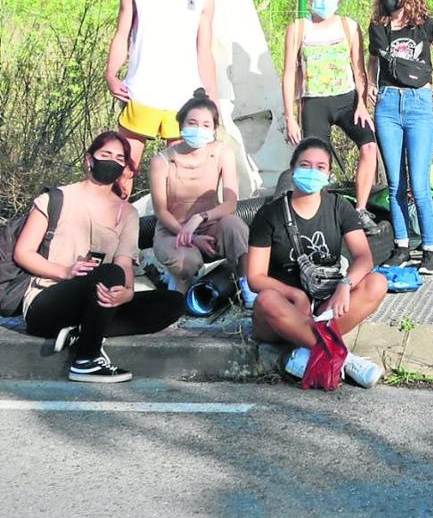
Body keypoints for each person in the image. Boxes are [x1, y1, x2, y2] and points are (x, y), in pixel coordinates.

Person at [13, 132, 184, 383]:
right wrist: (65, 271)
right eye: (105, 155)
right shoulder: (55, 199)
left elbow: (124, 261)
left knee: (173, 302)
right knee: (109, 274)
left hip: (97, 299)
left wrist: (127, 292)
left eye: (119, 157)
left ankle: (80, 331)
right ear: (89, 160)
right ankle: (87, 359)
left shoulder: (127, 213)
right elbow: (23, 252)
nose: (112, 161)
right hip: (47, 299)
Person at [246, 137, 389, 388]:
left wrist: (345, 284)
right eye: (305, 165)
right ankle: (340, 355)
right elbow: (255, 277)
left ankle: (309, 349)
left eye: (320, 167)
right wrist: (295, 295)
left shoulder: (338, 206)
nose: (312, 171)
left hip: (326, 304)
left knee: (377, 283)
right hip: (283, 310)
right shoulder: (270, 214)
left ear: (329, 173)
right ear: (292, 169)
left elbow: (364, 258)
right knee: (266, 299)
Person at [105, 0, 217, 198]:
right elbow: (121, 34)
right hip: (139, 92)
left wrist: (212, 102)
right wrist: (111, 74)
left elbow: (205, 51)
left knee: (181, 176)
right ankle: (115, 234)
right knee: (123, 171)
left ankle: (177, 237)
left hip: (183, 98)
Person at [367, 0, 433, 274]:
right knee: (395, 185)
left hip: (419, 103)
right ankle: (402, 245)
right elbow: (373, 59)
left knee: (419, 185)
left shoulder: (424, 25)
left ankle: (429, 249)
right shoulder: (378, 26)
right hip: (388, 105)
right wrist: (369, 82)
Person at [281, 0, 380, 233]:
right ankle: (319, 215)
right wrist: (290, 116)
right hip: (314, 102)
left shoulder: (348, 26)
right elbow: (290, 72)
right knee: (315, 160)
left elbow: (359, 68)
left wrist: (361, 103)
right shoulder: (298, 28)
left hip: (347, 100)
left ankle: (360, 210)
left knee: (370, 146)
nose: (324, 0)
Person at [149, 90, 250, 293]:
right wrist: (189, 236)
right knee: (185, 261)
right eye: (192, 123)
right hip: (173, 230)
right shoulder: (161, 161)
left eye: (206, 125)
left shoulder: (222, 152)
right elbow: (161, 211)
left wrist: (200, 218)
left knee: (236, 227)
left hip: (210, 224)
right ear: (181, 125)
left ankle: (247, 285)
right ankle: (178, 280)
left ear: (213, 129)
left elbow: (230, 203)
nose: (198, 129)